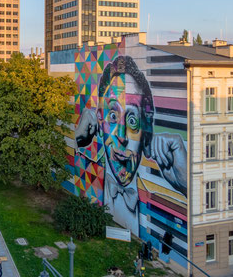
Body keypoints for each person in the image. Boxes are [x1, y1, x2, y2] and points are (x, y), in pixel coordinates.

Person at [75, 55, 187, 234]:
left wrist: (185, 184)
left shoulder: (157, 198)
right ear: (99, 120)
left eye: (132, 120)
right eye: (113, 117)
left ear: (147, 128)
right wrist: (77, 139)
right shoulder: (88, 175)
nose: (121, 137)